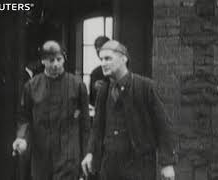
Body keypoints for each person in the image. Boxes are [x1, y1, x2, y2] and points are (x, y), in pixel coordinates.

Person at [81, 40, 177, 180]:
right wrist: (90, 153)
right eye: (101, 59)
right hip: (110, 166)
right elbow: (97, 128)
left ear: (123, 59)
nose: (103, 63)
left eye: (108, 58)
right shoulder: (104, 90)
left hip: (138, 166)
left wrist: (167, 163)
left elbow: (163, 126)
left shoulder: (145, 87)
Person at [12, 40, 90, 180]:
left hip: (68, 154)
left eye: (59, 59)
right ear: (42, 61)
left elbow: (85, 125)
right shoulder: (31, 86)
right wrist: (21, 138)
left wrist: (87, 154)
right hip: (42, 155)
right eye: (51, 60)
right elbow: (24, 118)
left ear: (64, 59)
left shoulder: (77, 85)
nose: (55, 64)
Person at [89, 36, 110, 106]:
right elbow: (92, 100)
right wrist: (95, 88)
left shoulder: (120, 68)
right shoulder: (95, 73)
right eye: (98, 51)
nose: (100, 54)